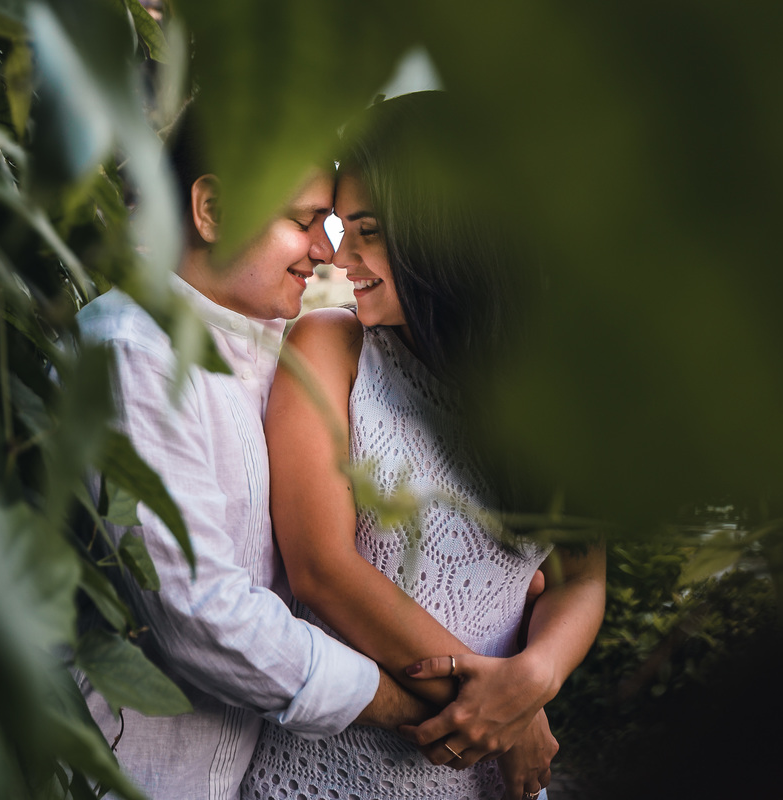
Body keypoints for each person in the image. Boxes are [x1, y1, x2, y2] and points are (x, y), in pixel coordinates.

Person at [241, 91, 607, 800]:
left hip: (489, 783)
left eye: (369, 231)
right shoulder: (332, 348)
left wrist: (534, 680)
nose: (339, 255)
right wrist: (506, 718)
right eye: (342, 228)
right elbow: (321, 568)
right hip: (331, 775)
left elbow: (581, 577)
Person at [76, 105, 448, 800]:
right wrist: (416, 706)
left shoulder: (279, 357)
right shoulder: (132, 354)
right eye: (303, 221)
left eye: (329, 225)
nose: (325, 252)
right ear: (212, 211)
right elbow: (199, 614)